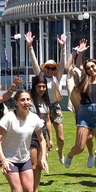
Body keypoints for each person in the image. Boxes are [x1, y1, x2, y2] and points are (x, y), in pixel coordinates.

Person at [0, 90, 47, 192]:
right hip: (9, 160)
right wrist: (3, 160)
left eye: (28, 99)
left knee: (29, 190)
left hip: (25, 159)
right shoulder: (8, 118)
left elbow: (42, 139)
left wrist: (43, 157)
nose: (26, 102)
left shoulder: (34, 118)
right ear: (16, 102)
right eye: (22, 100)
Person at [64, 39, 96, 169]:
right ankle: (70, 155)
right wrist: (76, 52)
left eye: (93, 66)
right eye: (88, 68)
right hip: (84, 114)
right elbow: (68, 67)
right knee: (79, 147)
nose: (91, 69)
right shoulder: (84, 79)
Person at [25, 31, 66, 164]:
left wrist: (62, 49)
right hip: (41, 106)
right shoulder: (40, 77)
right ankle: (42, 153)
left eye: (52, 68)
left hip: (54, 106)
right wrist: (30, 46)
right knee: (38, 133)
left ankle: (60, 152)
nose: (49, 70)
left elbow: (62, 63)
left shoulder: (56, 77)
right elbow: (34, 63)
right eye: (47, 68)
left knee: (61, 138)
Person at [29, 74, 53, 192]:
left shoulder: (46, 102)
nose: (42, 89)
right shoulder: (29, 101)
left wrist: (50, 138)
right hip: (30, 134)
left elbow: (48, 120)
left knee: (39, 165)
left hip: (42, 134)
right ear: (34, 87)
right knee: (32, 166)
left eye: (44, 86)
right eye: (39, 86)